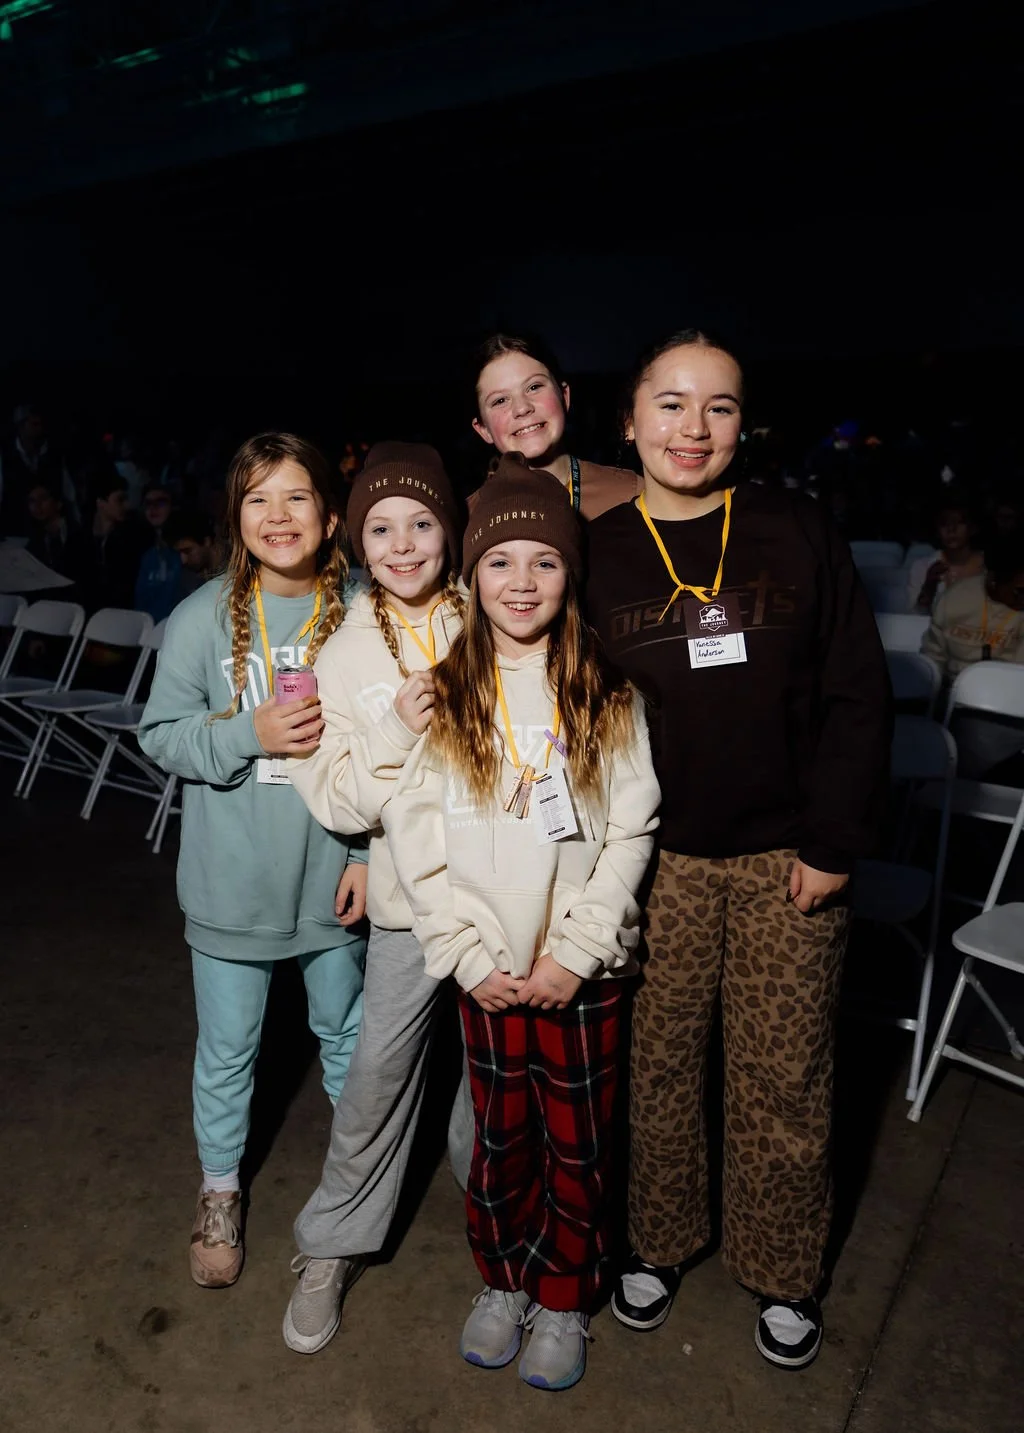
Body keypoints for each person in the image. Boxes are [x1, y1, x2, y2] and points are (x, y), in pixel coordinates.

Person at [586, 329, 891, 1370]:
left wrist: (834, 839)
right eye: (670, 403)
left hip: (786, 858)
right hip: (650, 858)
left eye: (718, 406)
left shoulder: (795, 527)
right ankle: (658, 1240)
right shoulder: (599, 549)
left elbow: (857, 691)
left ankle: (782, 1266)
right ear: (629, 420)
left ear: (741, 425)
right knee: (657, 1063)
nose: (693, 427)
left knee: (784, 1071)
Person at [385, 456, 660, 1391]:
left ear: (570, 576)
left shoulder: (607, 693)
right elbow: (415, 839)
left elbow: (631, 829)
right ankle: (504, 1278)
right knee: (501, 1138)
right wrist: (464, 954)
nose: (522, 581)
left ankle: (564, 1293)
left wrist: (576, 952)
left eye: (545, 561)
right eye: (500, 561)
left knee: (579, 1142)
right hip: (489, 973)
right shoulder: (446, 696)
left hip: (578, 975)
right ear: (472, 575)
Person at [137, 432, 368, 1290]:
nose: (278, 515)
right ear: (235, 517)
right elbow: (161, 735)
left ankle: (356, 1192)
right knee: (229, 1050)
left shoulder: (364, 608)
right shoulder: (203, 616)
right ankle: (220, 1191)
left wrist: (369, 851)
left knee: (347, 1039)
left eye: (297, 496)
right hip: (231, 883)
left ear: (331, 515)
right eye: (258, 498)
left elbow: (399, 749)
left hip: (333, 878)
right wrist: (248, 733)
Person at [279, 442, 467, 1355]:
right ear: (357, 540)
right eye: (381, 527)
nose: (403, 544)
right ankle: (332, 1242)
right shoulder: (344, 652)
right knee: (379, 1074)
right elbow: (340, 799)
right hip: (408, 903)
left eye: (421, 522)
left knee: (501, 1075)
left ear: (449, 531)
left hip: (512, 900)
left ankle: (508, 1227)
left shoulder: (495, 611)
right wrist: (395, 726)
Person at [467, 332, 641, 520]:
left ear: (564, 397)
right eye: (500, 400)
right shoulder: (465, 520)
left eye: (534, 387)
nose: (522, 408)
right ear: (483, 429)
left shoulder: (631, 494)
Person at [921, 534, 1024, 778]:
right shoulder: (955, 599)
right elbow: (933, 663)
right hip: (957, 705)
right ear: (993, 579)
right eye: (1019, 591)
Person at [907, 494, 983, 613]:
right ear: (937, 530)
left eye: (959, 522)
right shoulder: (921, 567)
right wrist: (928, 588)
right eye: (944, 523)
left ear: (973, 528)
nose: (951, 529)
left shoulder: (991, 566)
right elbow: (914, 617)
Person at [135, 484, 184, 622]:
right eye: (148, 503)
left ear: (173, 506)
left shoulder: (185, 552)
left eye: (160, 502)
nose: (153, 508)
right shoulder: (147, 555)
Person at [162, 508, 220, 595]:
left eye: (188, 551)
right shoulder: (187, 577)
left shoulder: (233, 573)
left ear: (206, 541)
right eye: (178, 553)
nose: (183, 560)